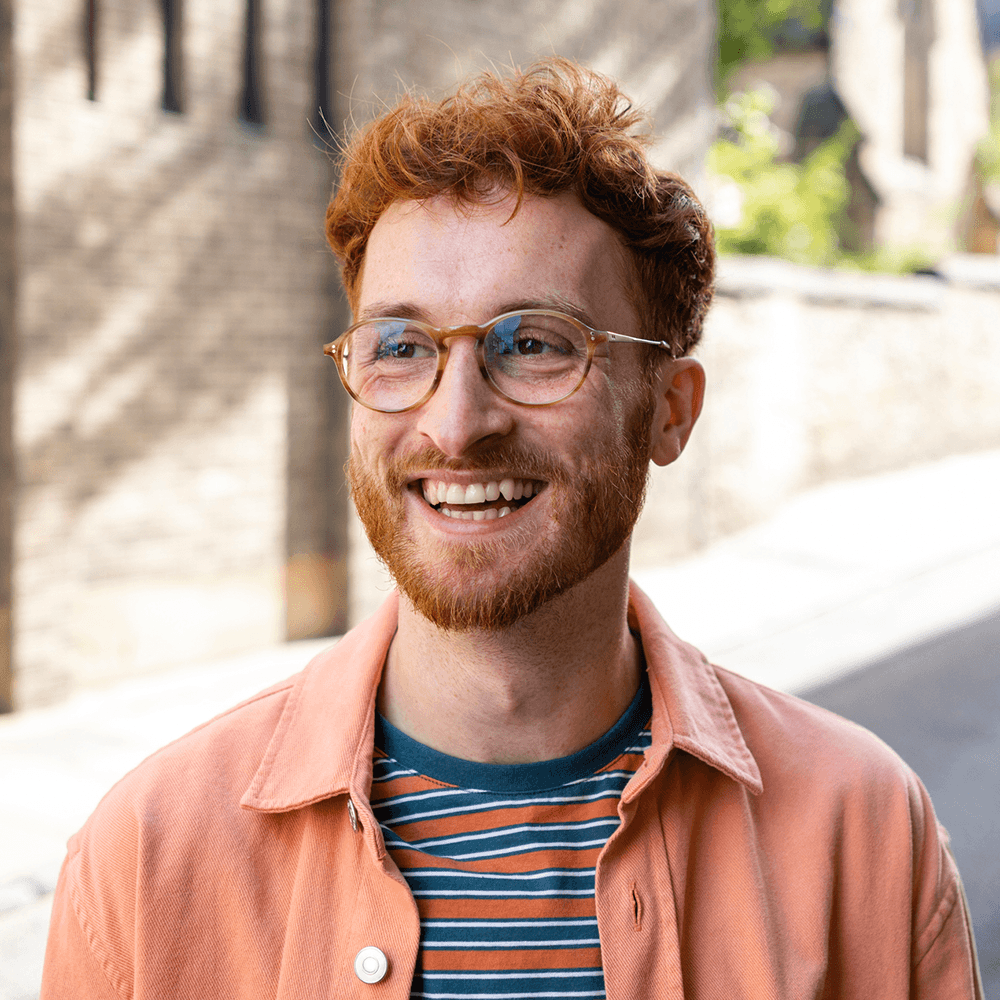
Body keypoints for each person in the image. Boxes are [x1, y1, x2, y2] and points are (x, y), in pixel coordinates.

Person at [41, 59, 982, 999]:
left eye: (533, 344)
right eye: (401, 348)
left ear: (671, 410)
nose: (455, 426)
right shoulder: (146, 860)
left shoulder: (863, 834)